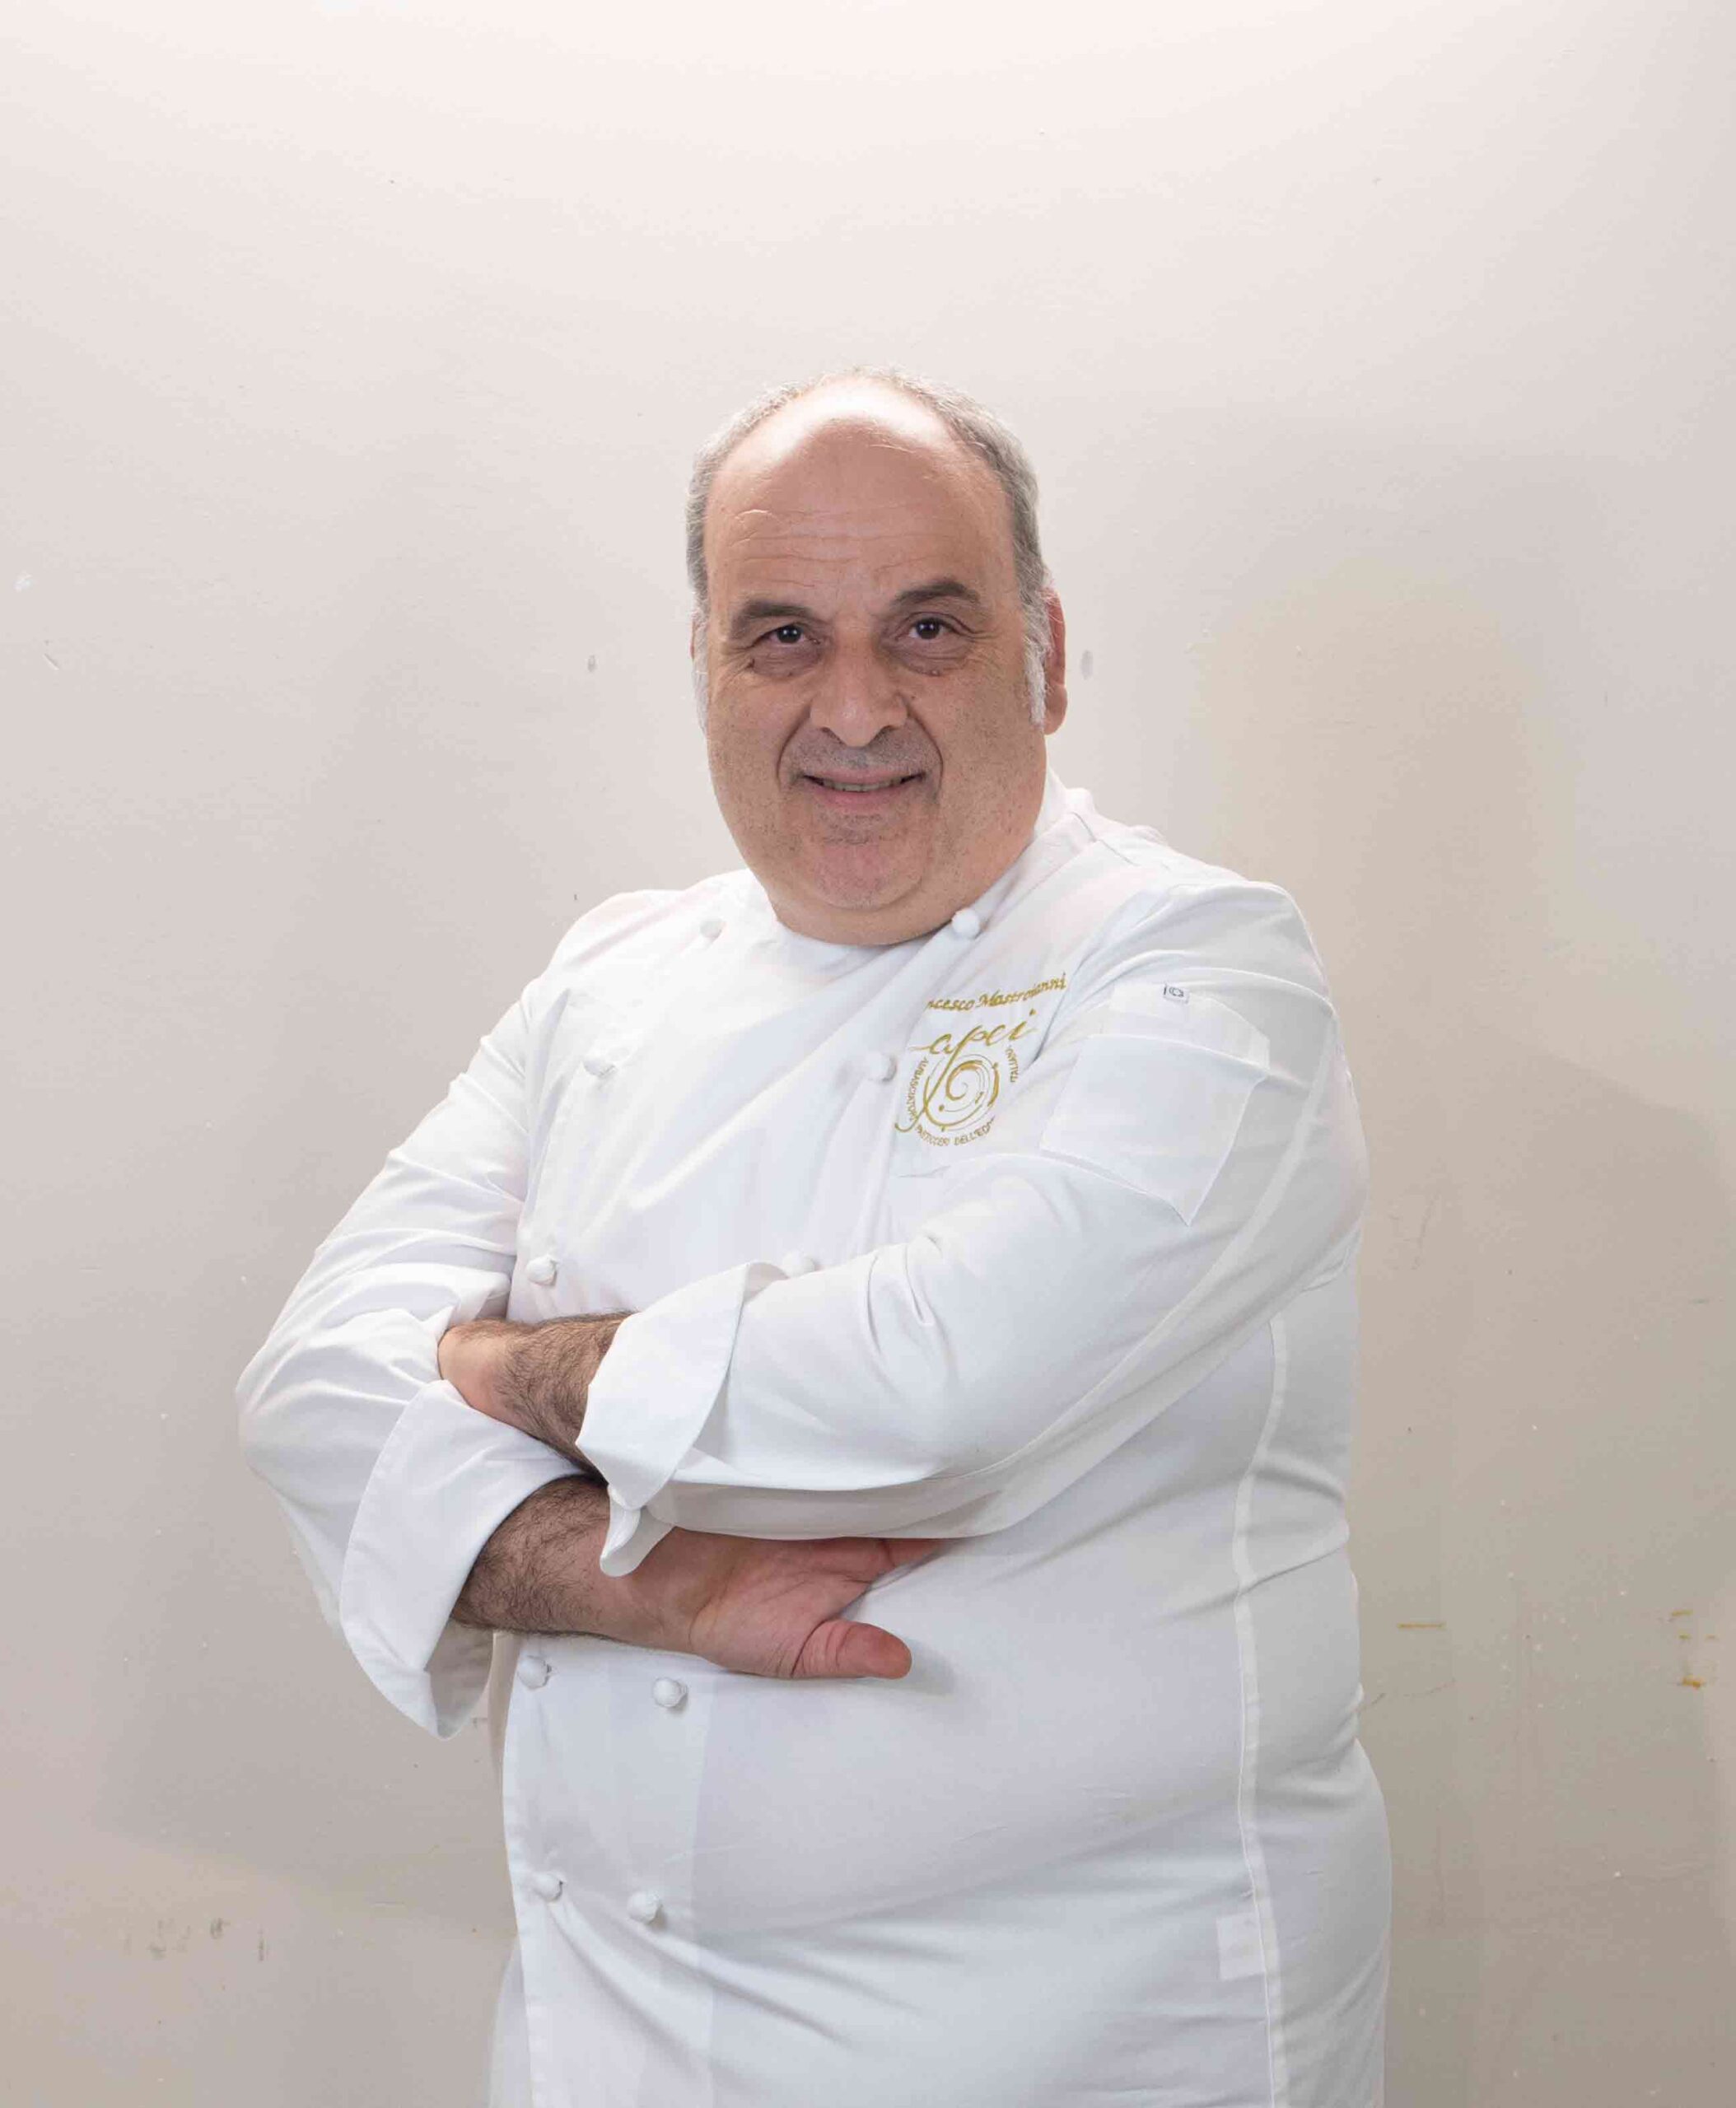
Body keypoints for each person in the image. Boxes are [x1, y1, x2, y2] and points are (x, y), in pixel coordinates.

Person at [237, 366, 1392, 2107]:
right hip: (617, 2034)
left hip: (1096, 2035)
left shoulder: (1198, 972)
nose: (854, 707)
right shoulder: (610, 978)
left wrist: (495, 1368)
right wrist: (662, 1587)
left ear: (1045, 654)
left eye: (928, 627)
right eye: (781, 637)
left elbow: (931, 1395)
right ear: (705, 666)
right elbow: (313, 1395)